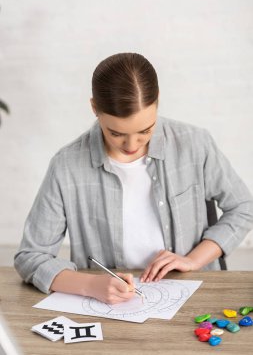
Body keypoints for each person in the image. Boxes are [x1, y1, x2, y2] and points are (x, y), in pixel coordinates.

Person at [14, 52, 253, 305]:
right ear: (95, 108)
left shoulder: (194, 144)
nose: (132, 144)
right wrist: (90, 284)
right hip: (109, 307)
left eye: (145, 131)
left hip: (195, 300)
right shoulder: (66, 166)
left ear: (157, 102)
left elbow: (242, 208)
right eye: (116, 133)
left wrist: (193, 259)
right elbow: (31, 256)